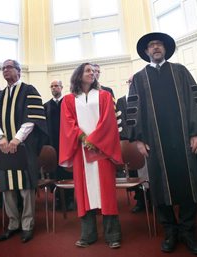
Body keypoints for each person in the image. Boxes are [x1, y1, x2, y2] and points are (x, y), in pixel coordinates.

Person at [126, 32, 197, 255]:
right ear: (146, 52)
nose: (155, 48)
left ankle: (188, 230)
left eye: (159, 45)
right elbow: (133, 111)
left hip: (184, 139)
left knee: (189, 185)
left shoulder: (180, 71)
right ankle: (170, 230)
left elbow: (195, 100)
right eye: (151, 46)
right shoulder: (139, 78)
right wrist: (138, 140)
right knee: (159, 187)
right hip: (154, 143)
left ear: (165, 49)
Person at [59, 63, 123, 249]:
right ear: (78, 75)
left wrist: (93, 140)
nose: (92, 73)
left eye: (94, 71)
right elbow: (68, 122)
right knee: (84, 192)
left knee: (107, 192)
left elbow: (108, 121)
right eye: (88, 71)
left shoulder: (104, 96)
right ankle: (88, 235)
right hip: (81, 151)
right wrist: (83, 138)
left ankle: (113, 234)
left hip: (102, 149)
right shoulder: (69, 99)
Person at [0, 59, 47, 243]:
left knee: (25, 187)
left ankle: (27, 225)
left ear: (19, 70)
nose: (5, 71)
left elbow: (33, 118)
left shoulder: (29, 90)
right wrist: (1, 138)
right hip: (4, 148)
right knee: (7, 188)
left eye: (9, 67)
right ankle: (13, 224)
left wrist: (16, 139)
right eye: (3, 68)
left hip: (23, 147)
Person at [116, 75, 147, 213]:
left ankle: (152, 198)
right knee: (134, 171)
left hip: (145, 140)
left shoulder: (144, 97)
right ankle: (140, 199)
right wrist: (131, 138)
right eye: (129, 81)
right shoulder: (121, 100)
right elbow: (121, 122)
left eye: (133, 81)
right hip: (130, 141)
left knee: (148, 172)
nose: (131, 83)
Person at [44, 79, 74, 211]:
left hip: (67, 143)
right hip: (53, 145)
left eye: (56, 86)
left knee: (68, 171)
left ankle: (70, 199)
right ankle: (57, 200)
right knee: (55, 173)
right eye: (52, 86)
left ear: (62, 87)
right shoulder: (46, 106)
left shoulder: (68, 102)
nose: (54, 88)